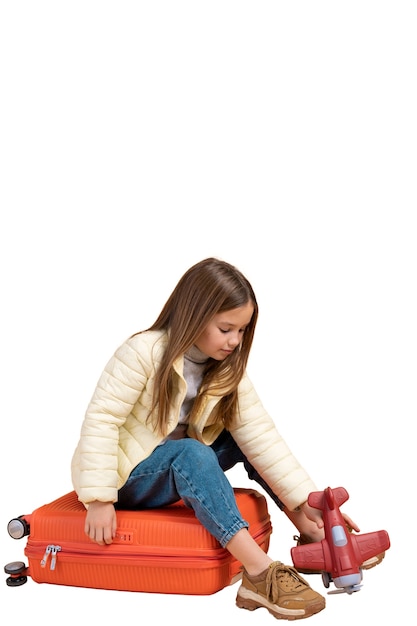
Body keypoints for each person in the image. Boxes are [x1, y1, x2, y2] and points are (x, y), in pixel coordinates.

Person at [71, 258, 361, 620]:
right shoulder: (142, 352)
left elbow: (262, 437)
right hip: (127, 475)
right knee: (190, 452)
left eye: (242, 331)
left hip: (181, 466)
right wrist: (99, 499)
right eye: (226, 329)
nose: (235, 341)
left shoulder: (224, 368)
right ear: (194, 315)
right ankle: (258, 573)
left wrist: (309, 502)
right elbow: (101, 420)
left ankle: (312, 532)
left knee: (238, 438)